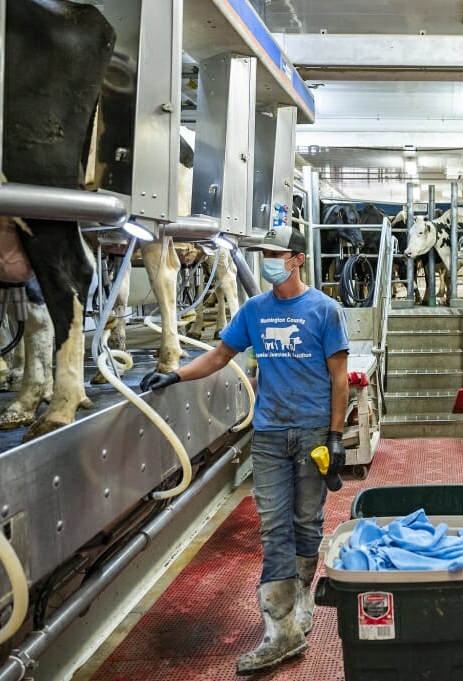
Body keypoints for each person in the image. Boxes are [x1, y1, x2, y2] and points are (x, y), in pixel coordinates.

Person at [140, 224, 349, 674]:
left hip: (312, 432)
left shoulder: (325, 310)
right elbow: (219, 356)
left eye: (274, 253)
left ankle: (302, 593)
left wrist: (336, 436)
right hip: (270, 433)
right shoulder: (255, 310)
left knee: (306, 520)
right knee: (274, 527)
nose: (266, 261)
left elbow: (339, 379)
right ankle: (281, 631)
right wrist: (175, 375)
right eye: (262, 254)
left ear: (296, 259)